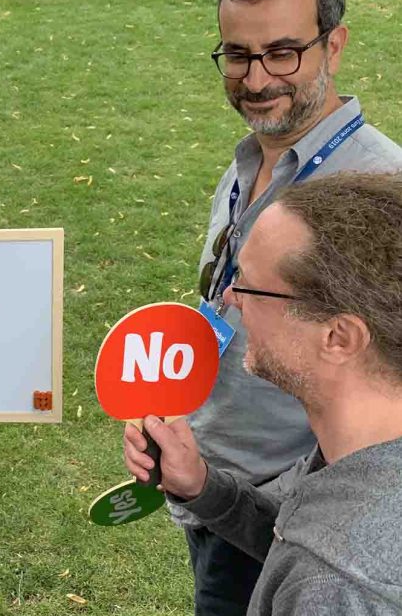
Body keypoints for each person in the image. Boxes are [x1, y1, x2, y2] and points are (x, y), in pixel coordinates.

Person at [183, 0, 402, 613]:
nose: (256, 79)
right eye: (237, 55)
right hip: (221, 491)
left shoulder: (381, 186)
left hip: (301, 510)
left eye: (282, 52)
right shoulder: (252, 158)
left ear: (333, 44)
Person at [127, 173, 402, 614]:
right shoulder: (360, 451)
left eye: (251, 286)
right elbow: (298, 525)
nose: (232, 298)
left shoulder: (334, 588)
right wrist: (201, 485)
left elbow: (324, 550)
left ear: (339, 337)